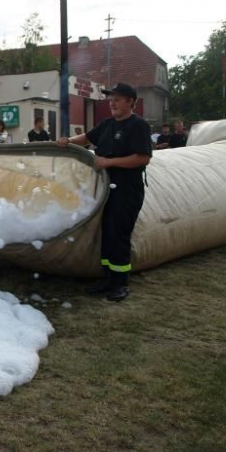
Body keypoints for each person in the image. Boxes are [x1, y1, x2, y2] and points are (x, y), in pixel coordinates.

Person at [57, 82, 152, 302]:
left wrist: (109, 162)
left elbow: (143, 158)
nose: (112, 103)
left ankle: (120, 284)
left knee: (119, 234)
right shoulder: (107, 124)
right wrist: (67, 142)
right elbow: (88, 138)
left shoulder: (138, 126)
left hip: (127, 190)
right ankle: (108, 279)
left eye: (117, 99)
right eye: (111, 99)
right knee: (107, 233)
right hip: (104, 189)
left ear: (130, 102)